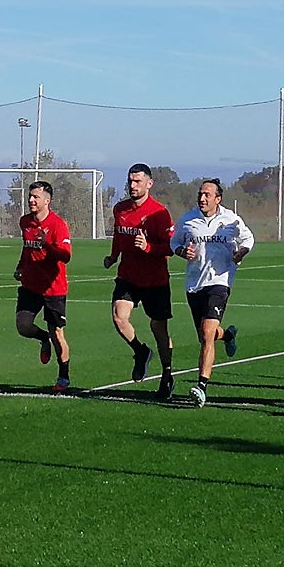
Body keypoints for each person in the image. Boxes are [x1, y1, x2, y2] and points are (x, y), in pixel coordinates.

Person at [170, 179, 255, 407]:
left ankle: (201, 387)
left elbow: (248, 238)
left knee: (207, 333)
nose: (202, 198)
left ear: (218, 199)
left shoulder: (231, 220)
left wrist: (241, 253)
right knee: (205, 335)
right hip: (194, 283)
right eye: (200, 194)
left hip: (220, 281)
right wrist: (181, 251)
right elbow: (173, 241)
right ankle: (227, 335)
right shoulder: (188, 220)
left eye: (207, 194)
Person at [104, 163, 177, 399]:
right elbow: (118, 236)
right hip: (128, 277)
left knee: (159, 328)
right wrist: (113, 257)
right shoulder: (121, 209)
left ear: (149, 183)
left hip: (155, 280)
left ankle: (167, 374)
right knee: (118, 316)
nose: (133, 186)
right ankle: (140, 351)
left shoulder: (159, 213)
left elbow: (171, 247)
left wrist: (148, 248)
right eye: (130, 181)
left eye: (138, 181)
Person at [14, 180, 73, 392]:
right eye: (30, 196)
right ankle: (42, 338)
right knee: (23, 325)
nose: (31, 200)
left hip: (53, 288)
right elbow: (27, 249)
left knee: (58, 334)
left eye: (35, 197)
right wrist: (21, 267)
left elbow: (66, 256)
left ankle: (64, 376)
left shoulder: (58, 225)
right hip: (30, 285)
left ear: (47, 201)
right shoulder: (25, 222)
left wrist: (47, 243)